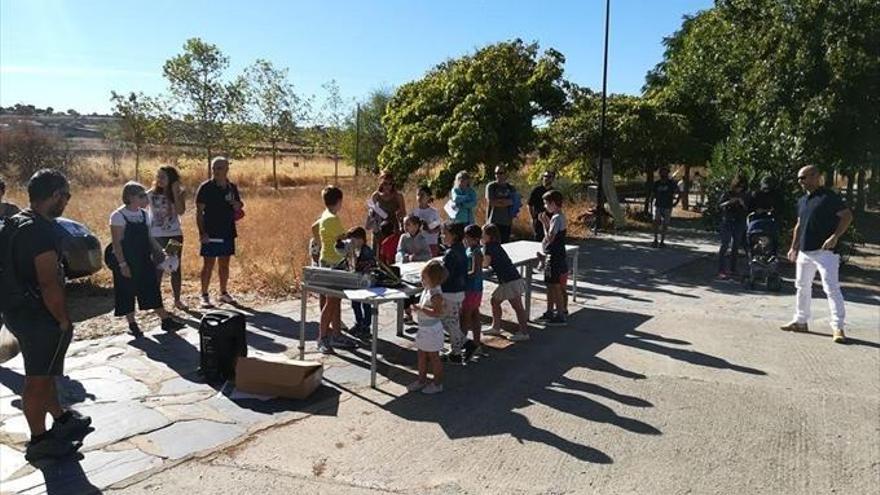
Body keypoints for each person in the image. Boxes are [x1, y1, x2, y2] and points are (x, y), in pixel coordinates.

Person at [2, 169, 92, 462]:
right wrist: (62, 318)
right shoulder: (42, 231)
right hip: (38, 316)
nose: (67, 201)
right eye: (66, 195)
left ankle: (60, 418)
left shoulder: (15, 223)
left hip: (15, 309)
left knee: (47, 370)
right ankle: (39, 439)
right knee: (37, 379)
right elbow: (48, 281)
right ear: (55, 195)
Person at [780, 165, 853, 343]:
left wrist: (835, 237)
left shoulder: (829, 197)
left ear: (815, 177)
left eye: (803, 177)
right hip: (805, 251)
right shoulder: (802, 200)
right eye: (799, 178)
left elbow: (847, 216)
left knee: (831, 288)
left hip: (825, 252)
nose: (800, 182)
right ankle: (801, 321)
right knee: (802, 286)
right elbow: (799, 224)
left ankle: (838, 327)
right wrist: (793, 246)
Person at [109, 181, 185, 336]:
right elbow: (116, 244)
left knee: (151, 287)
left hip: (143, 257)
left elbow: (149, 238)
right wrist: (123, 265)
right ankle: (132, 324)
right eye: (142, 196)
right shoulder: (118, 216)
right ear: (130, 197)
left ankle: (165, 320)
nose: (146, 199)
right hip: (126, 258)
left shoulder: (144, 215)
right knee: (127, 291)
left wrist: (161, 251)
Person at [195, 157, 243, 308]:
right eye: (214, 168)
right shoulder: (205, 187)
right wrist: (202, 233)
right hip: (210, 232)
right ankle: (204, 295)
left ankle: (223, 293)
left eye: (220, 168)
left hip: (227, 231)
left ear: (227, 169)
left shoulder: (232, 187)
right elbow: (199, 212)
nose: (216, 171)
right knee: (208, 264)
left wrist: (236, 204)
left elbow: (239, 205)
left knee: (224, 264)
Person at [315, 186, 356, 354]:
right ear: (338, 201)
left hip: (329, 260)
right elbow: (343, 239)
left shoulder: (324, 216)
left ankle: (337, 334)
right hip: (333, 263)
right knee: (331, 302)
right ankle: (322, 337)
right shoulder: (332, 219)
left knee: (336, 300)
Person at [481, 224, 530, 341]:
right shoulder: (496, 245)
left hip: (509, 281)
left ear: (489, 236)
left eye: (483, 234)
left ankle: (524, 332)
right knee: (495, 301)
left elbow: (485, 263)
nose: (481, 237)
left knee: (517, 307)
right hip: (510, 279)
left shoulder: (488, 246)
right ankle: (496, 327)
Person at [147, 166, 186, 309]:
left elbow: (181, 211)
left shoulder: (179, 193)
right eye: (158, 176)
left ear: (172, 179)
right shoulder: (150, 194)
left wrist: (175, 192)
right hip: (157, 237)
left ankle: (177, 300)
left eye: (163, 177)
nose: (160, 180)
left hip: (174, 235)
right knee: (158, 268)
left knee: (174, 267)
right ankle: (156, 303)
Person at [407, 260, 447, 394]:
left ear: (433, 279)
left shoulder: (436, 295)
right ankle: (421, 379)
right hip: (424, 328)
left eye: (424, 277)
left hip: (432, 330)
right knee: (421, 355)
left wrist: (422, 309)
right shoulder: (427, 290)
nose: (422, 280)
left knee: (434, 357)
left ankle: (437, 383)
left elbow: (438, 313)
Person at [439, 222, 474, 363]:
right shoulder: (461, 250)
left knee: (450, 323)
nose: (442, 236)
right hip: (459, 290)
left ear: (453, 236)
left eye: (445, 234)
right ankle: (460, 348)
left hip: (450, 292)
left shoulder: (451, 253)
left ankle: (460, 349)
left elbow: (445, 275)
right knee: (451, 322)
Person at [535, 190, 569, 326]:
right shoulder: (558, 217)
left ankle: (560, 315)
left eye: (546, 203)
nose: (545, 206)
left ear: (553, 203)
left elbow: (550, 237)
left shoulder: (557, 217)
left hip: (554, 255)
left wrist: (544, 223)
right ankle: (550, 312)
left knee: (555, 286)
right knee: (550, 284)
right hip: (555, 254)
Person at [343, 227, 376, 342]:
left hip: (365, 281)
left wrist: (360, 265)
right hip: (355, 282)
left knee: (366, 305)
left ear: (361, 239)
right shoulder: (354, 251)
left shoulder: (366, 251)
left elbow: (371, 264)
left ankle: (366, 326)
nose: (351, 243)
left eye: (353, 241)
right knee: (355, 304)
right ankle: (358, 322)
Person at [717, 175, 748, 278]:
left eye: (742, 187)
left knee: (736, 246)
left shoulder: (745, 195)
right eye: (738, 186)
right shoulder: (728, 193)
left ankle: (733, 269)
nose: (739, 189)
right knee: (725, 244)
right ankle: (721, 270)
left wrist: (742, 203)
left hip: (739, 221)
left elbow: (748, 208)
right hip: (728, 220)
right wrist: (730, 202)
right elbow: (720, 205)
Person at [461, 224, 485, 358]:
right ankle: (476, 344)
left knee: (466, 317)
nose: (466, 240)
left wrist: (462, 275)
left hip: (472, 289)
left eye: (468, 238)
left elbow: (475, 271)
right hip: (471, 288)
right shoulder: (468, 249)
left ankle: (462, 345)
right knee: (475, 315)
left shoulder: (476, 252)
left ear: (476, 239)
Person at [369, 171, 406, 250]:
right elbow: (371, 213)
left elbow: (403, 213)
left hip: (393, 228)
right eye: (385, 183)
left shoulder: (398, 196)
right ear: (381, 183)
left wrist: (399, 217)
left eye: (390, 184)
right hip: (379, 227)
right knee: (378, 251)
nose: (388, 186)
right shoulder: (376, 196)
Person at [649, 167, 680, 248]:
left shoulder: (671, 183)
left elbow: (678, 192)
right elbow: (652, 194)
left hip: (667, 206)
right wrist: (651, 204)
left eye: (665, 172)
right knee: (656, 222)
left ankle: (662, 241)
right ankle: (655, 239)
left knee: (665, 224)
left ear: (667, 173)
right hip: (658, 205)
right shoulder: (657, 183)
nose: (663, 174)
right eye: (662, 172)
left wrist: (676, 202)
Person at [485, 166, 517, 243]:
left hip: (507, 222)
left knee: (505, 244)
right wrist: (505, 201)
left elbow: (513, 202)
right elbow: (492, 202)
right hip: (494, 221)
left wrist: (500, 201)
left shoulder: (511, 187)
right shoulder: (491, 186)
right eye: (496, 173)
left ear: (506, 174)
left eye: (501, 173)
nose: (498, 175)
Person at [411, 186, 441, 256]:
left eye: (422, 195)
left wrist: (429, 229)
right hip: (418, 244)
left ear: (428, 197)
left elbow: (438, 227)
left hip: (431, 243)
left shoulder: (434, 212)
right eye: (418, 194)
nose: (420, 197)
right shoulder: (414, 212)